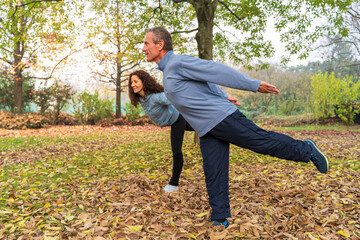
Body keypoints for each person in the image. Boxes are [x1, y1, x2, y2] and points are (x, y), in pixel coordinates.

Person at [141, 27, 329, 228]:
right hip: (206, 129)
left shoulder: (177, 62)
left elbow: (214, 71)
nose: (143, 48)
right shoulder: (169, 71)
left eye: (146, 43)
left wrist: (252, 84)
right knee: (213, 171)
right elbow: (201, 82)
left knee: (262, 142)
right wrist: (224, 95)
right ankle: (219, 217)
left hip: (222, 118)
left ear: (159, 45)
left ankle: (306, 149)